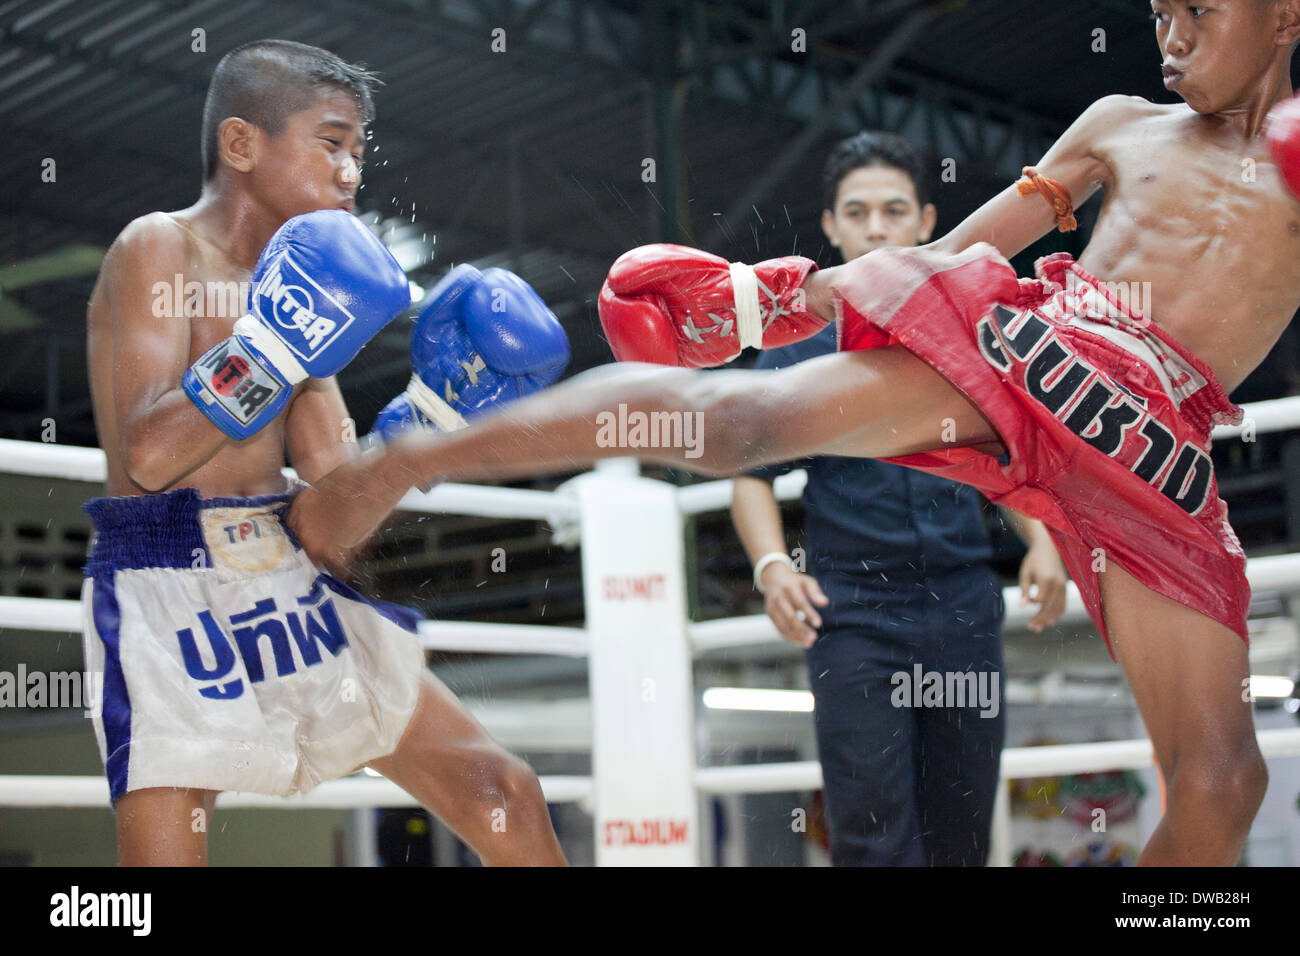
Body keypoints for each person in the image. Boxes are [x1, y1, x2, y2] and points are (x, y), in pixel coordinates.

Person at [290, 0, 1300, 866]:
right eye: (1158, 13)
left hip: (1151, 449)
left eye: (1198, 11)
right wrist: (774, 302)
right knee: (741, 421)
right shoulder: (1122, 121)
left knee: (1219, 787)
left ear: (1284, 16)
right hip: (1039, 353)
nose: (1169, 36)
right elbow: (949, 259)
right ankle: (409, 457)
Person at [83, 39, 567, 865]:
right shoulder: (158, 247)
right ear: (242, 146)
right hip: (166, 585)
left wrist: (427, 422)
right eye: (331, 143)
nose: (351, 174)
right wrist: (272, 347)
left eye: (359, 155)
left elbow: (333, 508)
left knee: (503, 793)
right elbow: (151, 458)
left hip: (285, 573)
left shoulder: (300, 286)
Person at [729, 130, 1065, 866]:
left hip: (963, 607)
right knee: (869, 830)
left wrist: (1042, 542)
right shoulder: (799, 347)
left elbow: (1002, 453)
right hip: (852, 615)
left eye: (892, 210)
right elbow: (751, 472)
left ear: (925, 221)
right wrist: (773, 569)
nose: (875, 227)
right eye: (857, 212)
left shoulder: (973, 331)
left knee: (962, 828)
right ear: (830, 227)